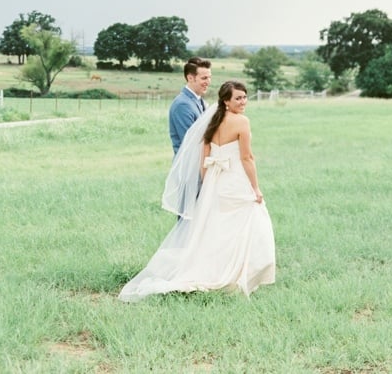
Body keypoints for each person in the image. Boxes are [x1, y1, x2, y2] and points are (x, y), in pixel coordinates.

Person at [118, 80, 275, 300]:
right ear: (226, 101)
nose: (243, 101)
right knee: (247, 222)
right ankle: (237, 273)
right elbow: (247, 157)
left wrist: (208, 180)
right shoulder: (241, 122)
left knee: (216, 227)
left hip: (216, 179)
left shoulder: (213, 119)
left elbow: (205, 153)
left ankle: (222, 269)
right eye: (237, 98)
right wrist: (255, 188)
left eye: (244, 96)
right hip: (235, 179)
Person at [168, 57, 212, 154]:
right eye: (204, 78)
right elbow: (191, 142)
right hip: (187, 166)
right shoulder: (182, 105)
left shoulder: (200, 101)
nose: (208, 82)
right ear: (190, 78)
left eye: (209, 77)